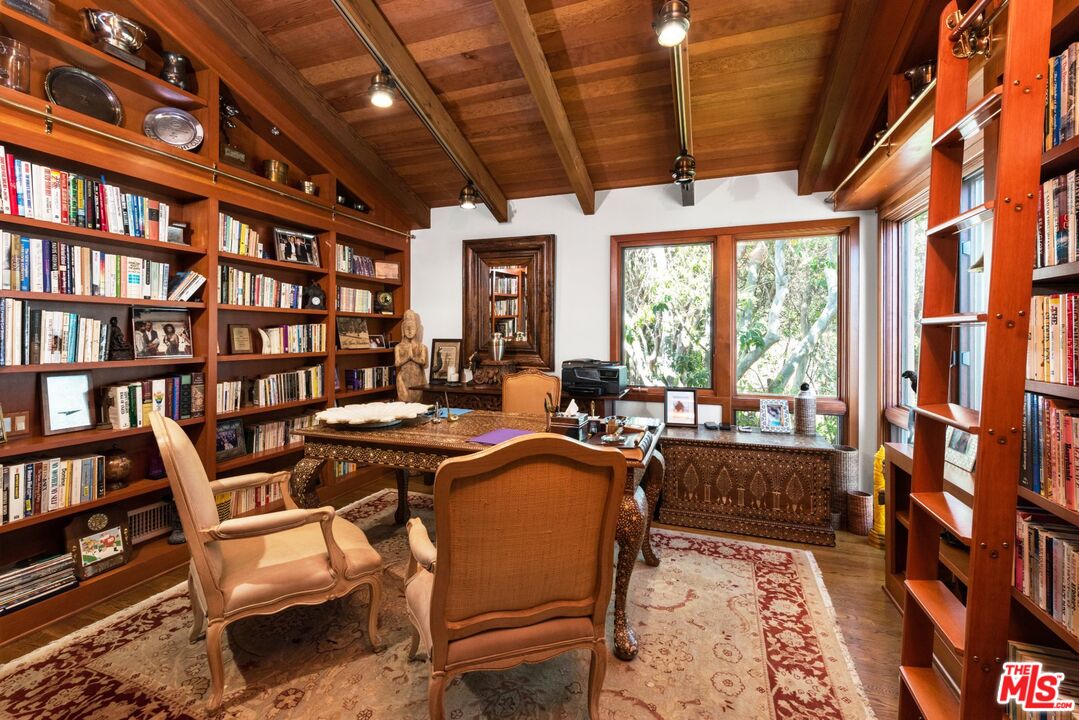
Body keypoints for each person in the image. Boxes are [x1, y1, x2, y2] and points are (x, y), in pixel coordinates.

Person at [394, 309, 429, 402]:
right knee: (404, 403)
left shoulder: (422, 347)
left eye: (412, 328)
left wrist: (412, 357)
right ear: (403, 330)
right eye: (407, 329)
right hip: (403, 378)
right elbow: (397, 363)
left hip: (418, 378)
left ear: (416, 330)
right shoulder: (398, 347)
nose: (409, 331)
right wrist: (407, 357)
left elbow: (423, 361)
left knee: (417, 404)